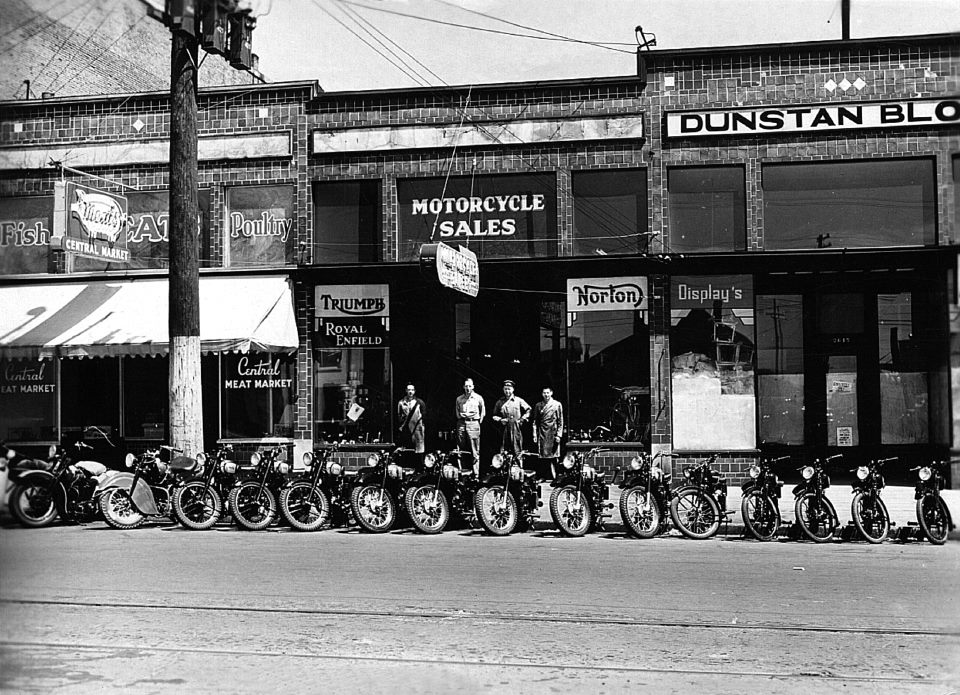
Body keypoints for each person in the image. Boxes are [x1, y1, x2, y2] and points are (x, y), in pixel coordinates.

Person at [491, 379, 531, 458]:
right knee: (504, 451)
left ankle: (519, 468)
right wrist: (500, 420)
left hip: (516, 429)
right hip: (504, 429)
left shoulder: (518, 400)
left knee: (517, 451)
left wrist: (522, 419)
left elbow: (528, 409)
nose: (507, 391)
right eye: (505, 389)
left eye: (509, 389)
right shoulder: (499, 402)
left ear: (513, 389)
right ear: (503, 390)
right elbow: (494, 415)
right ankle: (504, 469)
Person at [454, 378, 485, 474]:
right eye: (466, 386)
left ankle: (476, 474)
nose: (468, 388)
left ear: (473, 387)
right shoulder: (459, 399)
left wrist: (477, 422)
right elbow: (457, 411)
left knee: (475, 450)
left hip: (473, 424)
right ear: (463, 387)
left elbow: (482, 411)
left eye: (470, 386)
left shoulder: (478, 398)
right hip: (462, 424)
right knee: (461, 449)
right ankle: (462, 472)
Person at [532, 386, 564, 478]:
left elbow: (560, 421)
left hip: (553, 433)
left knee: (554, 456)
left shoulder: (557, 404)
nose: (546, 395)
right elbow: (535, 421)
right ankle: (543, 476)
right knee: (542, 456)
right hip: (542, 433)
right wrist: (534, 434)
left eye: (548, 393)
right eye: (544, 393)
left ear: (551, 393)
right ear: (542, 394)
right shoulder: (538, 405)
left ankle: (556, 477)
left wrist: (559, 435)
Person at [396, 383, 425, 455]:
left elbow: (424, 414)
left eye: (412, 390)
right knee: (407, 447)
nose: (410, 392)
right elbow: (399, 415)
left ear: (414, 391)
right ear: (406, 391)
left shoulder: (419, 402)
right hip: (406, 428)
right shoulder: (401, 402)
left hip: (417, 427)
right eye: (409, 390)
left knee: (419, 447)